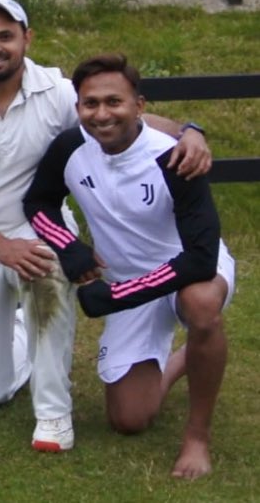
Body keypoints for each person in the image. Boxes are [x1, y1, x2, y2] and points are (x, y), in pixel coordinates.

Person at [0, 0, 212, 452]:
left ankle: (54, 416)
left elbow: (130, 117)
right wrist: (0, 246)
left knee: (49, 268)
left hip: (35, 232)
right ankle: (19, 333)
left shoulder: (56, 91)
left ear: (26, 39)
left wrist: (189, 131)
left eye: (5, 36)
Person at [24, 54, 232, 480]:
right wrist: (70, 247)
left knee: (201, 307)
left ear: (139, 105)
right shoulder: (70, 146)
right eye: (90, 103)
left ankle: (197, 437)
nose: (101, 115)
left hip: (185, 273)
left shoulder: (175, 156)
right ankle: (181, 360)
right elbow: (38, 202)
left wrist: (116, 296)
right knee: (129, 420)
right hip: (128, 281)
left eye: (114, 102)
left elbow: (200, 258)